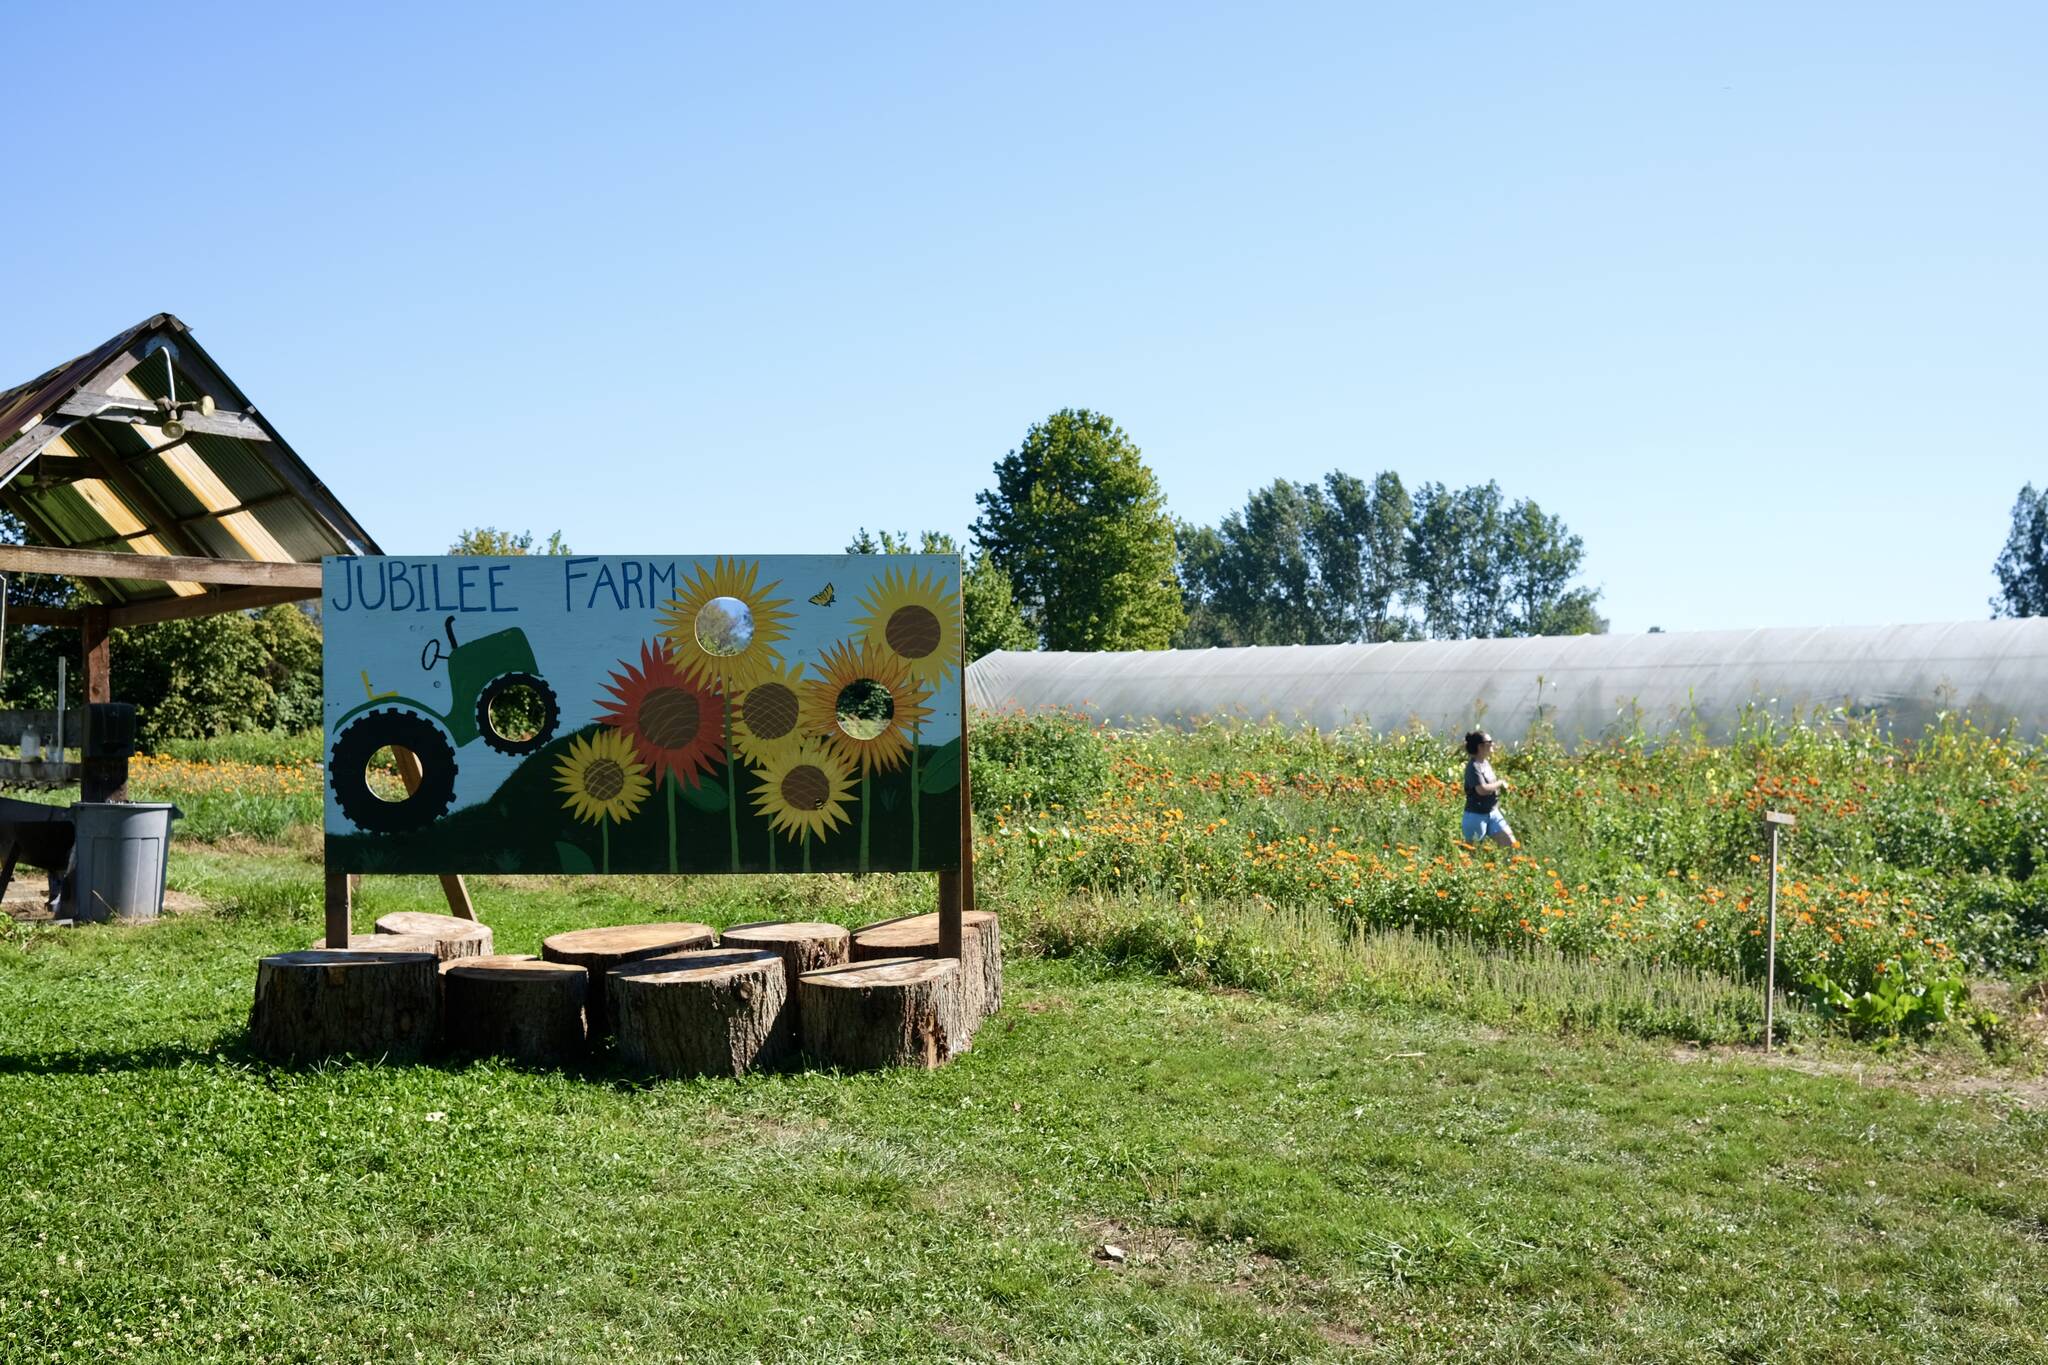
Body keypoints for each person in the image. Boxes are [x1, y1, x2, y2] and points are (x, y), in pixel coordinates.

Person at [1461, 730, 1517, 848]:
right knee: (1473, 852)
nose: (1493, 744)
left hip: (1492, 812)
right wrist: (1500, 783)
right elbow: (1481, 790)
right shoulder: (1473, 767)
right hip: (1476, 816)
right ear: (1480, 746)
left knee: (1511, 844)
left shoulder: (1485, 763)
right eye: (1489, 742)